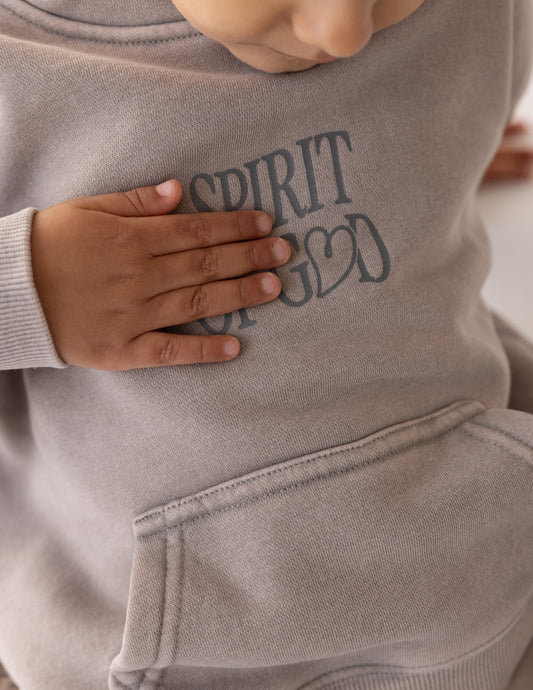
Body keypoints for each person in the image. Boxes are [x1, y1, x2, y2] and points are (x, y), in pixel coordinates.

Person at [1, 0, 533, 688]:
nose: (344, 32)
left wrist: (431, 137)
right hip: (145, 656)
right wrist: (28, 286)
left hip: (486, 595)